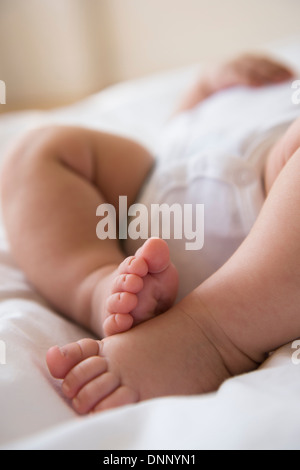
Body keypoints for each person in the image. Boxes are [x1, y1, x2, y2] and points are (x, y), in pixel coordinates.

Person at [1, 54, 299, 414]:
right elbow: (182, 121)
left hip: (274, 205)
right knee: (36, 149)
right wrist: (206, 85)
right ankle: (100, 286)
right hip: (150, 188)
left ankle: (212, 334)